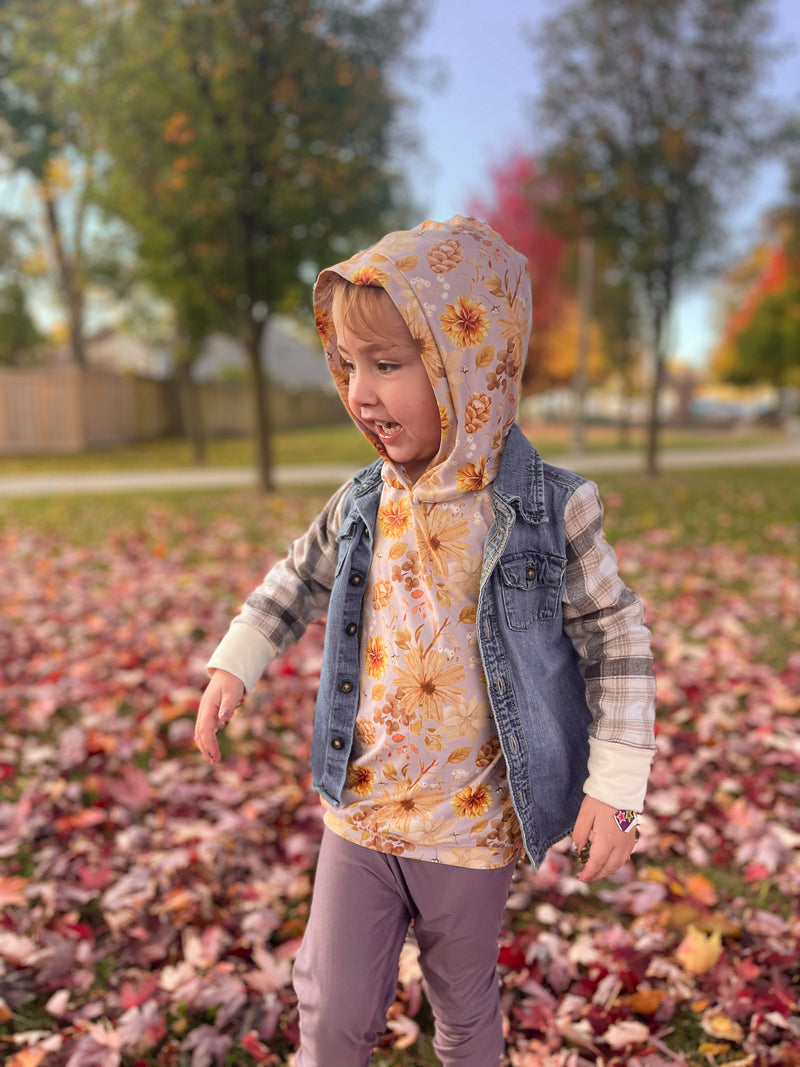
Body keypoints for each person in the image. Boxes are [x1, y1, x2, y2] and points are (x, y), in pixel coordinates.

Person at [194, 216, 656, 1067]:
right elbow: (296, 578)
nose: (360, 393)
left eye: (389, 365)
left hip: (472, 823)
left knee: (464, 1008)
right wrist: (238, 657)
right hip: (361, 808)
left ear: (466, 364)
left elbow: (615, 638)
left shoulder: (551, 510)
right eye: (348, 366)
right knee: (330, 1009)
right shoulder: (367, 498)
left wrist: (616, 785)